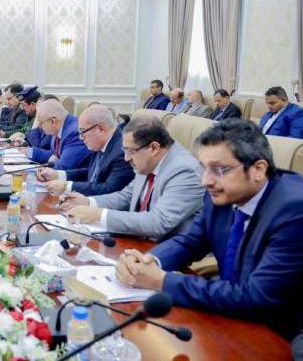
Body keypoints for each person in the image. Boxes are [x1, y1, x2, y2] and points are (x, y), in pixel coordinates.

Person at [115, 119, 303, 342]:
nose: (206, 181)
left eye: (219, 170)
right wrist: (148, 262)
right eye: (203, 168)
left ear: (258, 169)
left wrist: (161, 281)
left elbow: (256, 297)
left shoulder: (293, 210)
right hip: (231, 317)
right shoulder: (221, 194)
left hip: (282, 332)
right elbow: (189, 242)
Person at [63, 115, 205, 240]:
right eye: (125, 150)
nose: (126, 158)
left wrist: (98, 215)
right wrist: (88, 202)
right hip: (137, 242)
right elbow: (126, 196)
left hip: (166, 251)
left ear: (154, 148)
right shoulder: (148, 161)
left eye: (130, 151)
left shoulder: (185, 171)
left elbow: (159, 222)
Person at [37, 104, 134, 196]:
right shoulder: (101, 142)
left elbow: (109, 190)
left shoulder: (122, 151)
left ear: (101, 129)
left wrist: (67, 187)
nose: (80, 138)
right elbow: (90, 174)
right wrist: (58, 175)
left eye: (83, 132)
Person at [24, 98, 90, 169]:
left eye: (41, 123)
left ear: (53, 121)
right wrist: (28, 152)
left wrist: (52, 162)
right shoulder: (59, 128)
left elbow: (63, 166)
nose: (39, 127)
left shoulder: (74, 133)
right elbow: (54, 153)